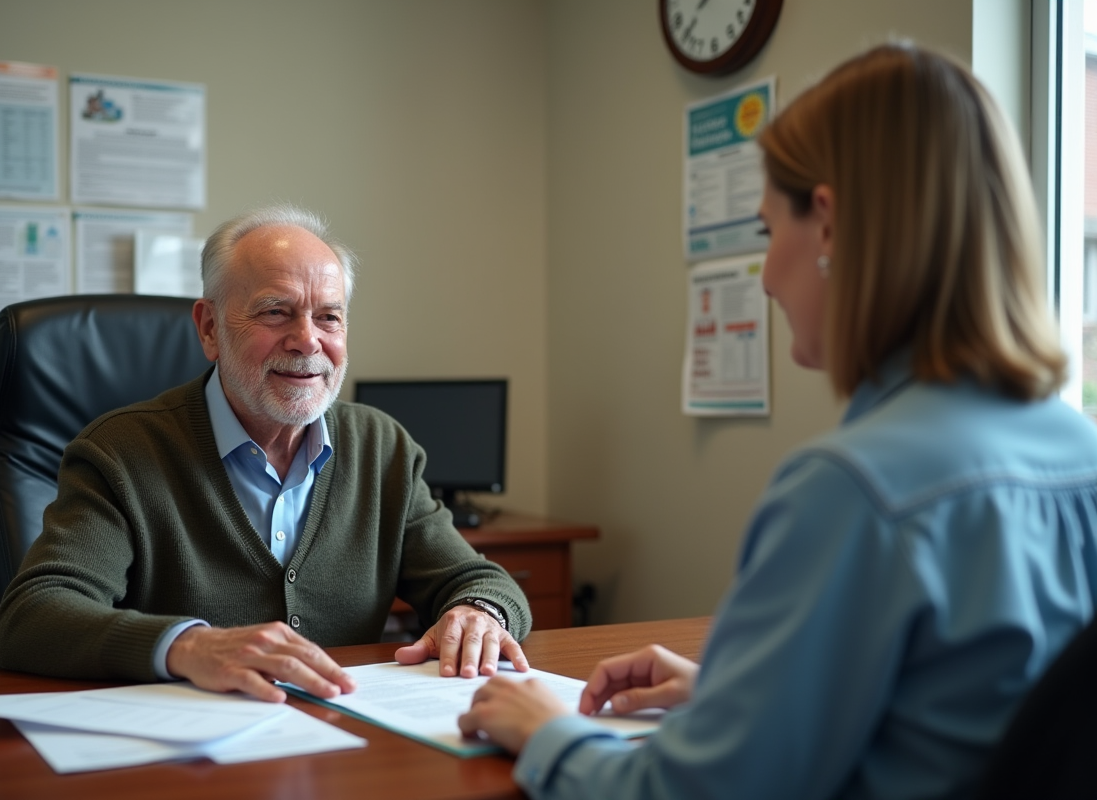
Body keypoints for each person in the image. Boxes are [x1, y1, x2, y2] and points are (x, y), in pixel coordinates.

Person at [457, 42, 1097, 799]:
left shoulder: (855, 490)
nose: (764, 276)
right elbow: (974, 717)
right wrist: (729, 694)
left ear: (826, 226)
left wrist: (546, 731)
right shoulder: (1080, 453)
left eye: (766, 231)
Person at [0, 203, 531, 703]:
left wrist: (479, 613)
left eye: (329, 317)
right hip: (190, 753)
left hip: (344, 743)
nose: (307, 340)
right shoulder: (121, 452)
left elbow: (476, 580)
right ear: (210, 328)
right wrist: (188, 646)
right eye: (276, 312)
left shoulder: (381, 447)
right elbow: (34, 615)